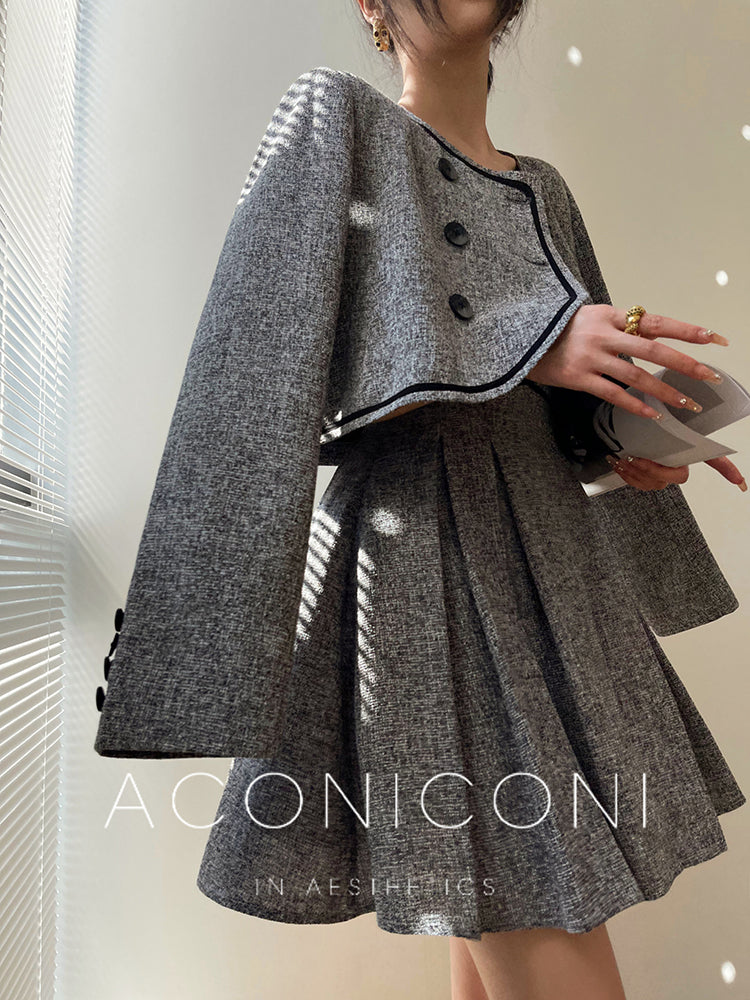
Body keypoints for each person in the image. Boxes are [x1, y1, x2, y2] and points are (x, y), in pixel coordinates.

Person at [94, 2, 746, 997]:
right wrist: (535, 340)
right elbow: (262, 357)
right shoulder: (338, 120)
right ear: (370, 4)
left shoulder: (545, 190)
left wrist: (625, 442)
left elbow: (550, 406)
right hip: (424, 569)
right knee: (528, 889)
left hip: (553, 578)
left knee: (498, 898)